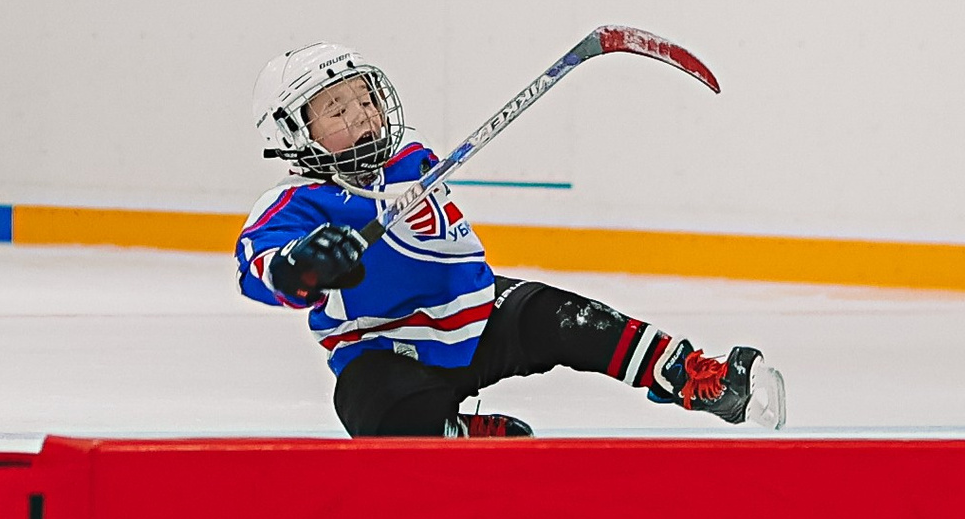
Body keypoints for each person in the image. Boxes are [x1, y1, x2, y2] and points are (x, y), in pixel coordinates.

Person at [236, 44, 786, 438]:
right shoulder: (298, 203)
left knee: (567, 317)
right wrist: (301, 267)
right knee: (367, 403)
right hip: (389, 349)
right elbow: (257, 264)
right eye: (338, 110)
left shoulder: (411, 160)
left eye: (365, 100)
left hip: (482, 313)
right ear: (293, 133)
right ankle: (454, 433)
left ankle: (696, 378)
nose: (363, 116)